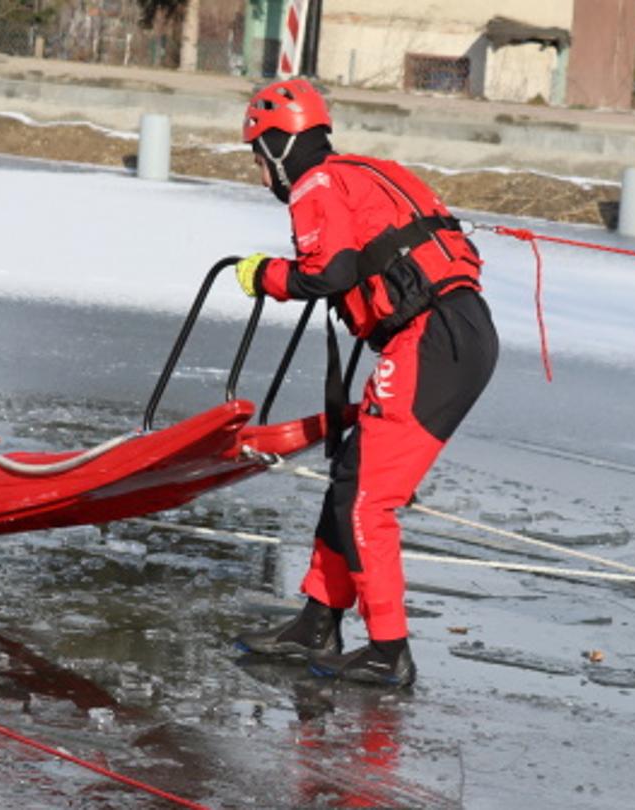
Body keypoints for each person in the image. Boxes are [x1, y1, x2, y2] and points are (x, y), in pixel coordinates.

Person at [229, 79, 499, 687]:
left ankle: (388, 650)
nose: (257, 170)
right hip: (456, 330)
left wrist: (264, 275)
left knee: (366, 500)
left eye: (256, 154)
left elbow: (329, 273)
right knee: (352, 476)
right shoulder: (366, 169)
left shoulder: (315, 183)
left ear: (277, 145)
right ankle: (318, 621)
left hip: (431, 339)